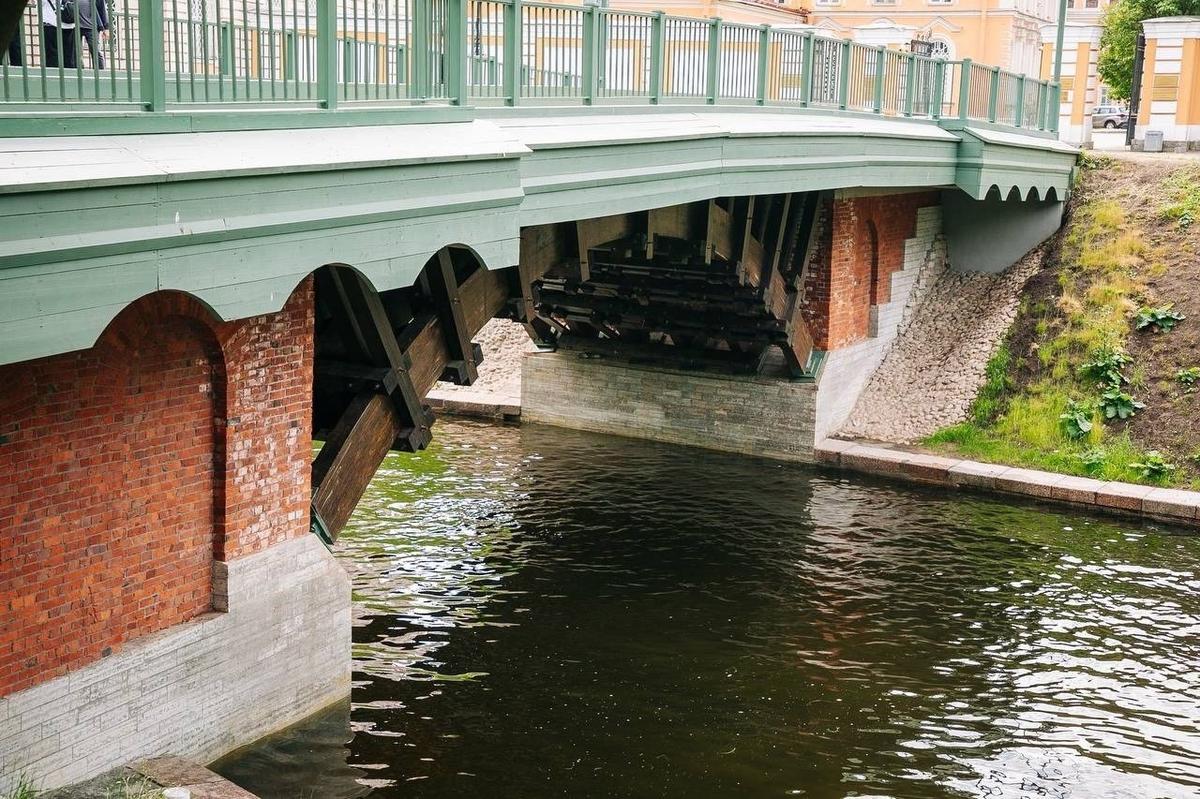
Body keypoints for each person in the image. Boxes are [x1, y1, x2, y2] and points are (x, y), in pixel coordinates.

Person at [41, 0, 76, 69]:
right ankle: (69, 76)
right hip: (69, 23)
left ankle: (54, 76)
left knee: (52, 55)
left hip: (51, 23)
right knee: (68, 55)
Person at [76, 0, 106, 69]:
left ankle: (100, 73)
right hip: (76, 26)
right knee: (77, 53)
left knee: (96, 51)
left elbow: (102, 9)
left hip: (92, 26)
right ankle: (80, 72)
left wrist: (105, 27)